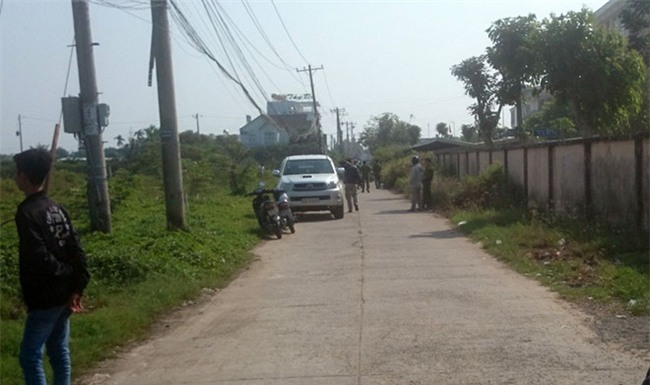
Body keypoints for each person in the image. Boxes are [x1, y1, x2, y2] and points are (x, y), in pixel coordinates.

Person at [13, 148, 90, 385]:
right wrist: (77, 284)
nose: (14, 177)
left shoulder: (27, 213)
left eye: (16, 172)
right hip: (65, 293)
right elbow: (75, 249)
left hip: (45, 295)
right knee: (58, 349)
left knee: (30, 354)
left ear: (24, 176)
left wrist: (66, 277)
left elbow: (39, 256)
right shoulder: (58, 208)